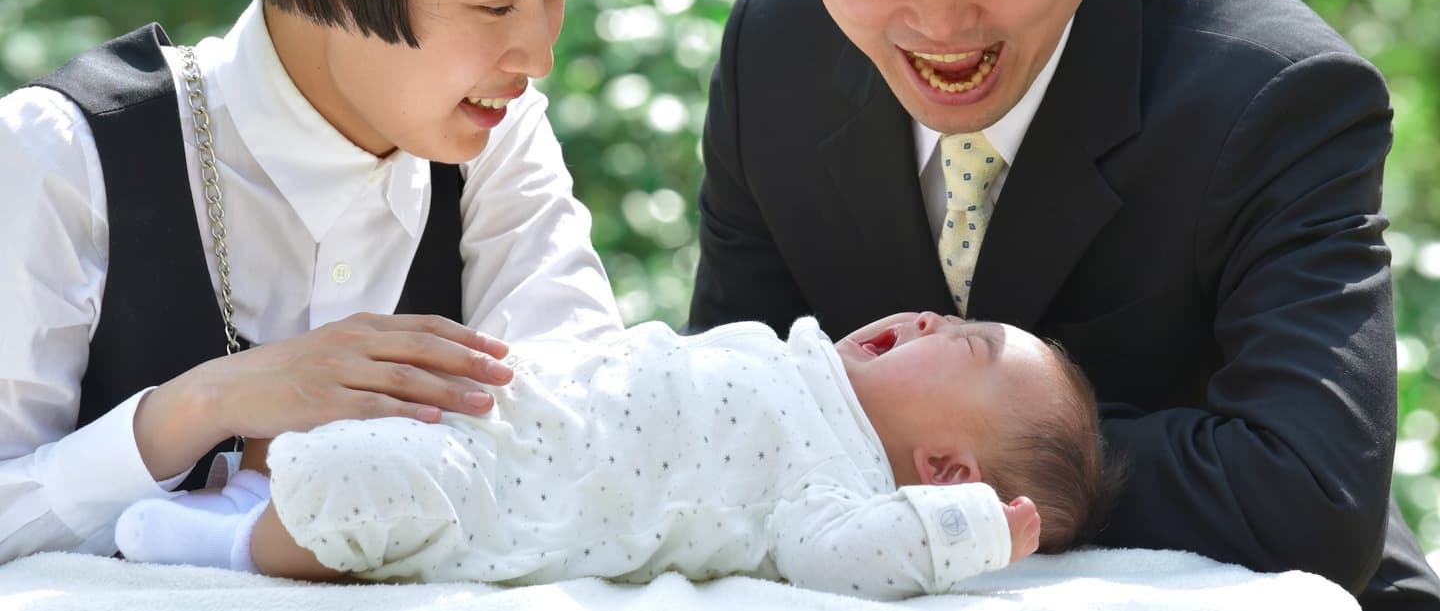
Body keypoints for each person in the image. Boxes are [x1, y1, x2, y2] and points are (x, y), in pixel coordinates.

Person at [685, 0, 1440, 608]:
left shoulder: (1275, 94)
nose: (939, 22)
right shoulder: (773, 56)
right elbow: (724, 417)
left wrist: (950, 454)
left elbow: (1309, 495)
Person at [0, 0, 622, 565]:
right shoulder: (62, 157)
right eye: (494, 0)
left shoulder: (499, 144)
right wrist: (198, 406)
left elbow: (590, 434)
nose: (537, 52)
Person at [113, 311, 1112, 599]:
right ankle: (245, 483)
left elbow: (845, 561)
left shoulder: (836, 483)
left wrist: (974, 530)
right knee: (364, 384)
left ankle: (238, 546)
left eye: (965, 343)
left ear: (945, 470)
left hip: (509, 497)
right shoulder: (800, 364)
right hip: (518, 408)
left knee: (368, 484)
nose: (935, 315)